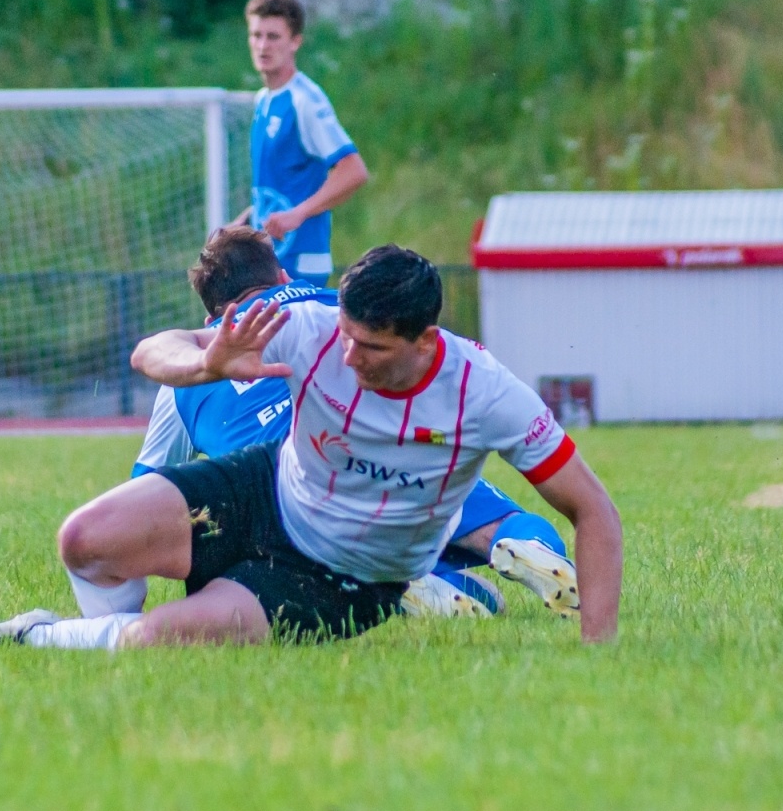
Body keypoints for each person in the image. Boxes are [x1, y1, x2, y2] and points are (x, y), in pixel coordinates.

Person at [0, 242, 622, 651]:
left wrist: (599, 648)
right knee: (84, 539)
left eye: (371, 348)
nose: (348, 357)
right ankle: (108, 642)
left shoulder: (487, 392)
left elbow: (594, 510)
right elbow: (151, 350)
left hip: (345, 579)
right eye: (345, 335)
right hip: (266, 489)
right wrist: (206, 363)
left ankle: (31, 637)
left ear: (425, 342)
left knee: (159, 640)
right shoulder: (309, 326)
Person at [127, 226, 581, 620]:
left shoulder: (188, 371)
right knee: (484, 515)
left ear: (212, 318)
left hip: (289, 498)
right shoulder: (342, 306)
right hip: (378, 445)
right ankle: (523, 546)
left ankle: (422, 586)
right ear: (285, 277)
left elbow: (144, 490)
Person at [238, 0, 368, 287]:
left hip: (301, 263)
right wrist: (244, 222)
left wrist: (297, 215)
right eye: (256, 35)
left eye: (273, 37)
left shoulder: (304, 101)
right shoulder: (264, 100)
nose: (262, 46)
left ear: (295, 41)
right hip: (269, 262)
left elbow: (353, 171)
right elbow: (282, 187)